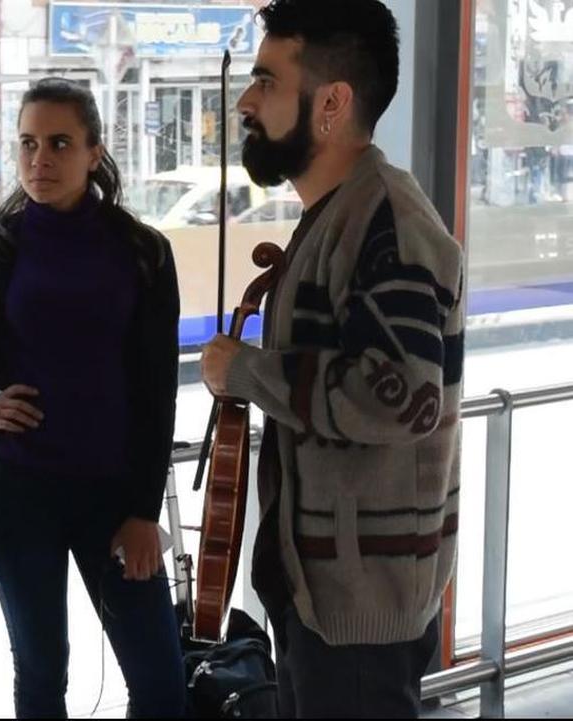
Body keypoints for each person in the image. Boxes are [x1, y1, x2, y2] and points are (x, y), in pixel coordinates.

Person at [199, 1, 465, 717]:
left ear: (332, 103)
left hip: (358, 617)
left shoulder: (388, 223)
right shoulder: (339, 214)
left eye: (266, 81)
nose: (247, 102)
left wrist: (246, 372)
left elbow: (404, 396)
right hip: (326, 599)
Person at [0, 78, 186, 719]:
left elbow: (157, 392)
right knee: (41, 678)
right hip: (17, 495)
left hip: (116, 504)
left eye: (60, 143)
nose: (41, 160)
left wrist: (144, 510)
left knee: (162, 686)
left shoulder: (142, 253)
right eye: (28, 144)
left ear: (95, 151)